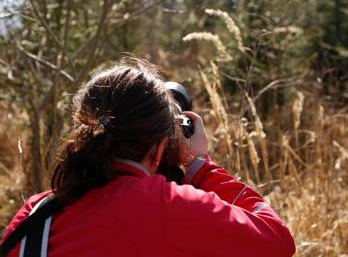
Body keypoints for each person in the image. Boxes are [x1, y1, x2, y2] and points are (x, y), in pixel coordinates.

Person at [0, 58, 296, 256]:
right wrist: (199, 165)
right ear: (158, 147)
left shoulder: (36, 213)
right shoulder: (169, 206)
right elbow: (278, 242)